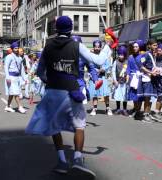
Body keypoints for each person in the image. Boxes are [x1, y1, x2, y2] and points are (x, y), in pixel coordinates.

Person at [25, 16, 116, 178]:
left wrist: (50, 81)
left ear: (56, 29)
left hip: (53, 90)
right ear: (71, 29)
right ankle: (78, 159)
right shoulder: (77, 45)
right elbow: (99, 60)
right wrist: (109, 43)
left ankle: (61, 161)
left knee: (54, 127)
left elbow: (40, 72)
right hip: (72, 90)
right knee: (79, 126)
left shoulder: (47, 47)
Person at [137, 39, 161, 123]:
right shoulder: (146, 55)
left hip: (152, 78)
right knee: (147, 97)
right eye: (154, 45)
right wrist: (150, 72)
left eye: (156, 45)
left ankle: (147, 113)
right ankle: (145, 115)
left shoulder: (153, 55)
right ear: (149, 46)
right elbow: (141, 66)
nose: (156, 47)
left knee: (149, 98)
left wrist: (157, 71)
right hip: (146, 79)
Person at [89, 40, 112, 116]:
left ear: (101, 47)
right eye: (95, 46)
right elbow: (88, 65)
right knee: (94, 94)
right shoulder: (90, 55)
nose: (97, 48)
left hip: (102, 76)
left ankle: (108, 108)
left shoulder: (104, 55)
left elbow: (108, 64)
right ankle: (94, 108)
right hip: (93, 77)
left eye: (98, 47)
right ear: (93, 47)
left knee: (106, 93)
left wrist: (103, 69)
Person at [4, 41, 27, 114]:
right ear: (12, 49)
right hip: (11, 77)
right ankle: (20, 107)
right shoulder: (9, 57)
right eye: (15, 48)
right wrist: (7, 77)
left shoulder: (20, 58)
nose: (16, 49)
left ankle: (7, 106)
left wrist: (25, 78)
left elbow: (22, 69)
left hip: (17, 78)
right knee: (16, 93)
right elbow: (6, 67)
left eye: (17, 48)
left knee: (12, 93)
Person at [127, 40, 144, 120]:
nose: (134, 48)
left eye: (136, 46)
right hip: (132, 77)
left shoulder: (142, 56)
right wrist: (128, 75)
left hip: (140, 77)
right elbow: (128, 68)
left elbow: (145, 66)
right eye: (134, 47)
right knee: (134, 95)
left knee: (139, 95)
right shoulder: (130, 57)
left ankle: (138, 111)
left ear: (139, 47)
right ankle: (136, 109)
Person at [112, 46, 129, 116]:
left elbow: (128, 71)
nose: (120, 56)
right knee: (118, 95)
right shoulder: (115, 62)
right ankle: (118, 108)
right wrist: (115, 80)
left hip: (125, 81)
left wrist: (128, 80)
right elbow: (113, 71)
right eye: (119, 54)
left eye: (122, 55)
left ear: (124, 54)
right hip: (118, 81)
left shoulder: (127, 62)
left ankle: (124, 109)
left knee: (125, 96)